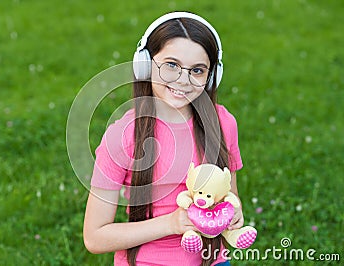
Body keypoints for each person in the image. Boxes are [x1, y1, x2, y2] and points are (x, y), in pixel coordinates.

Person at [83, 12, 245, 266]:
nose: (183, 79)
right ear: (146, 64)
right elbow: (95, 237)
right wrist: (171, 224)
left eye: (197, 70)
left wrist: (234, 215)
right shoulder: (123, 135)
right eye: (171, 65)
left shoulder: (223, 123)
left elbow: (231, 197)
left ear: (211, 76)